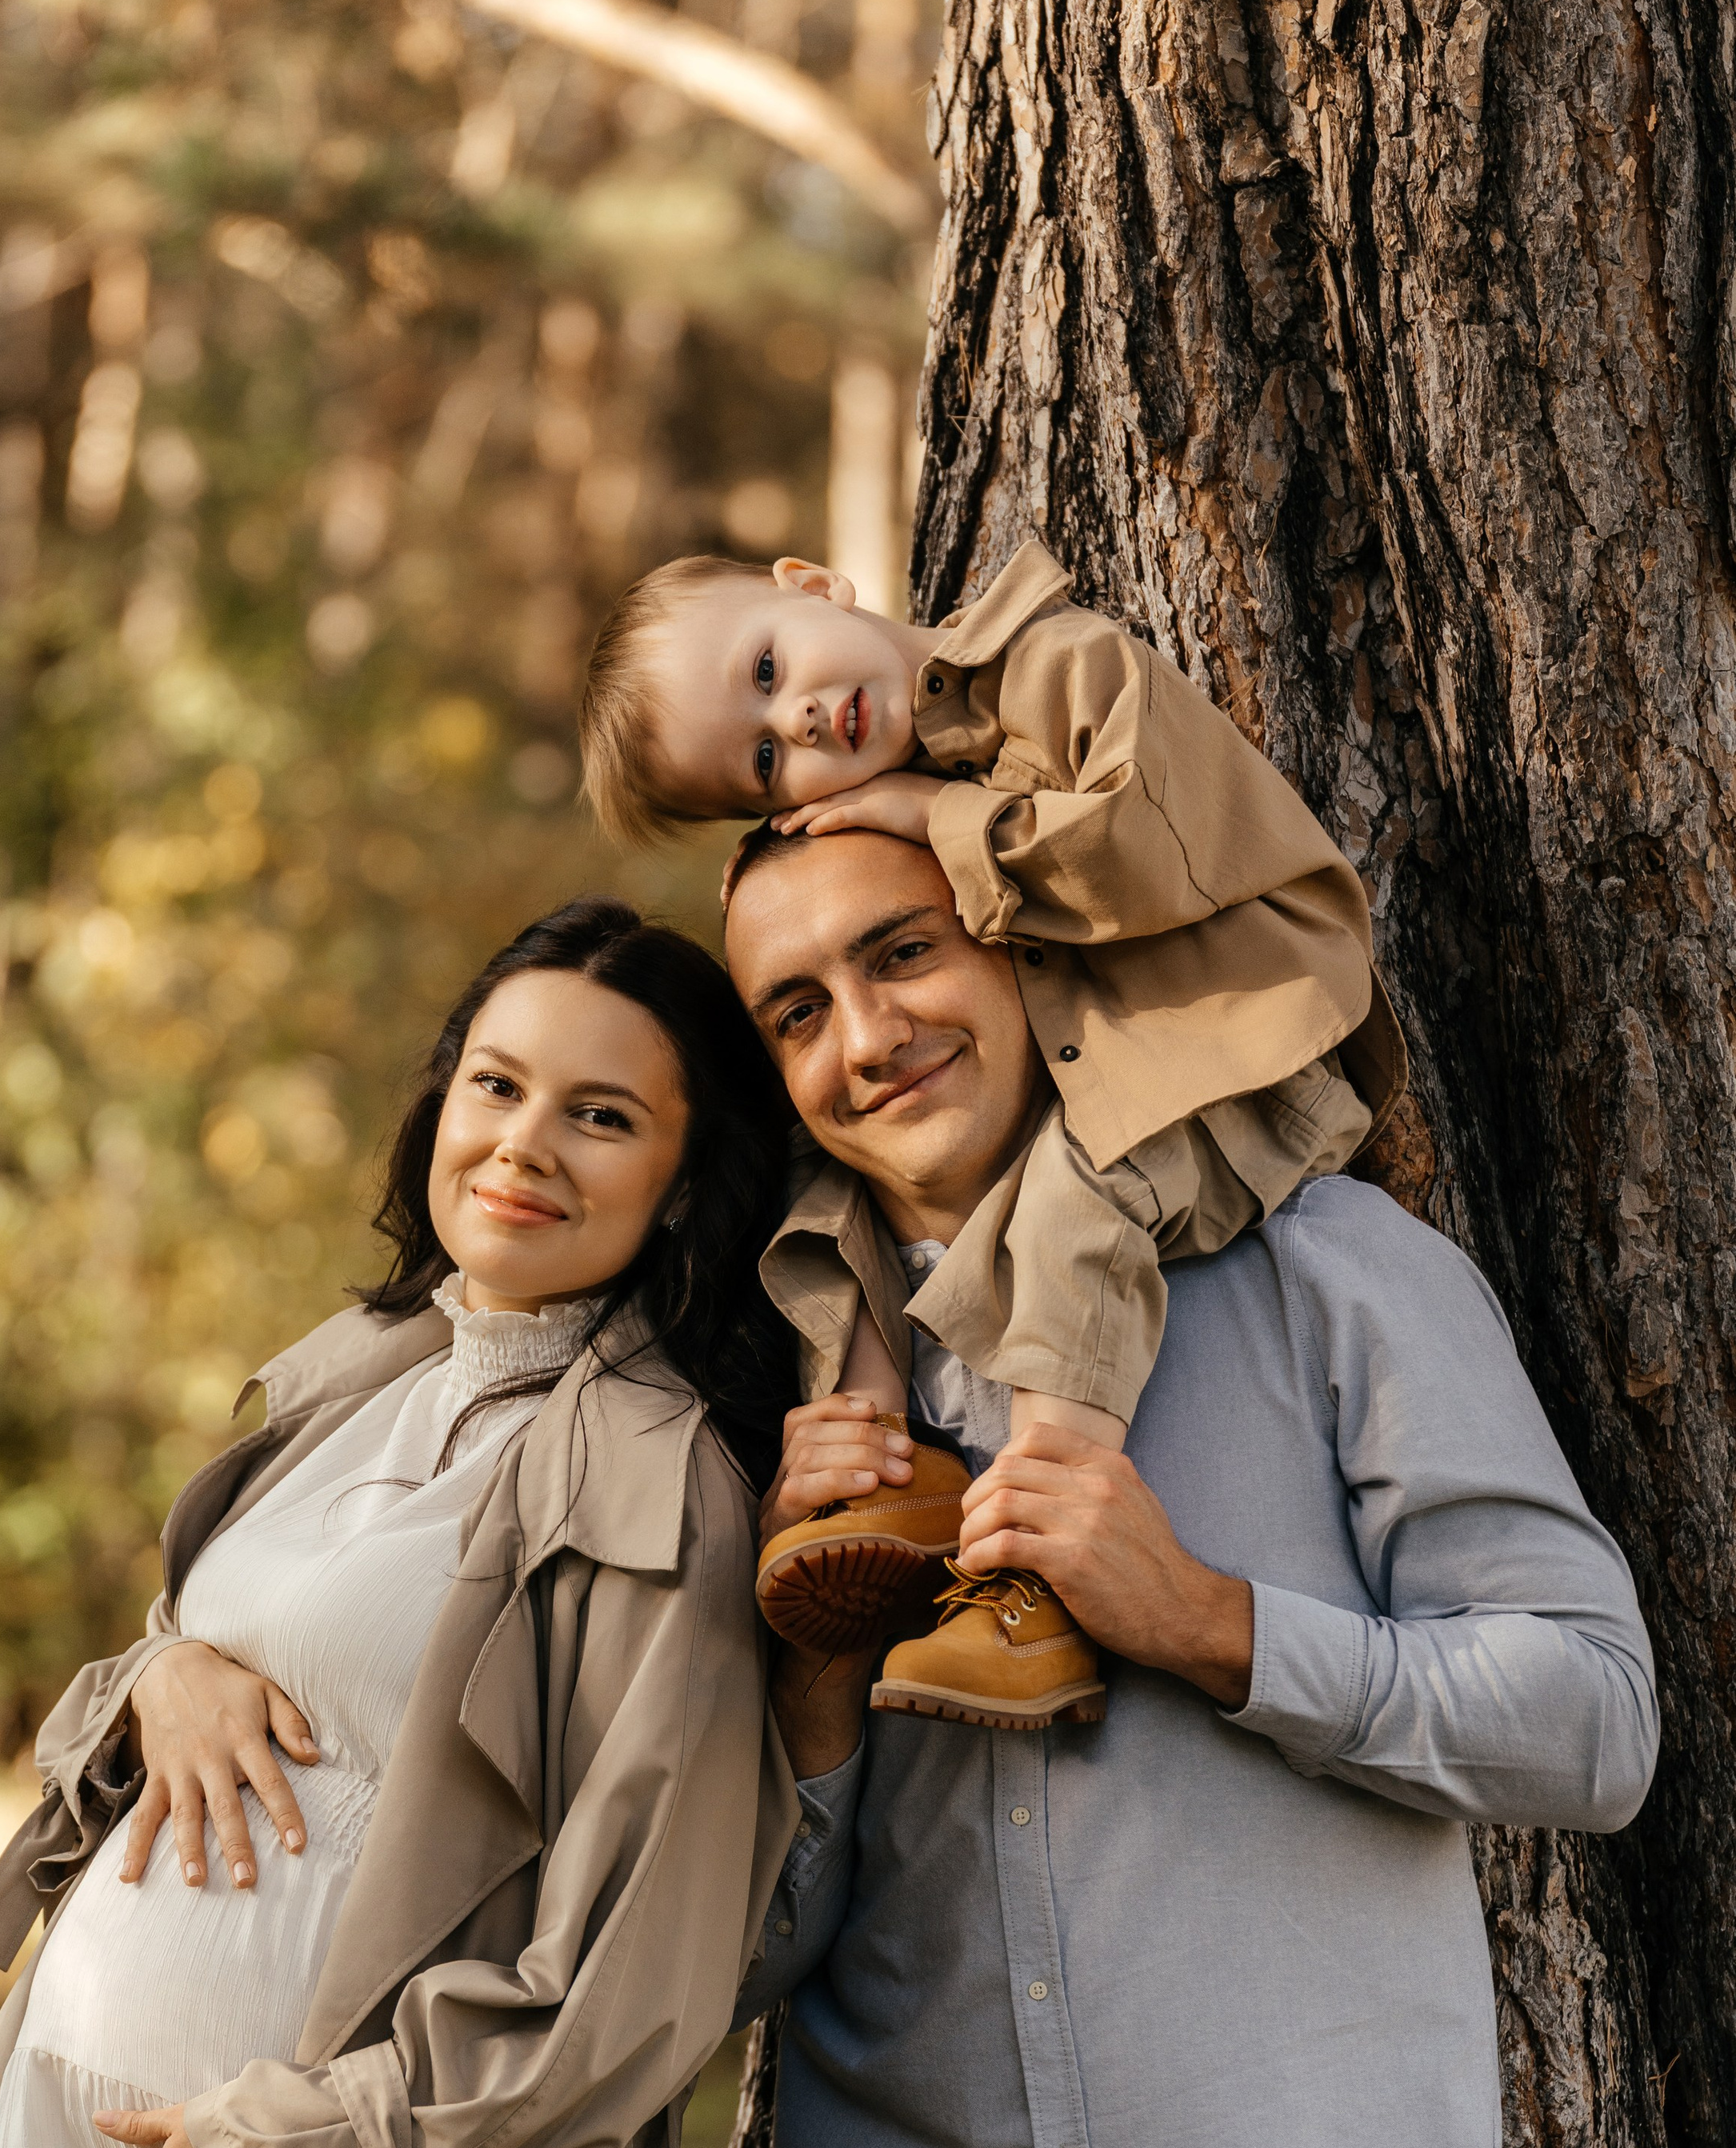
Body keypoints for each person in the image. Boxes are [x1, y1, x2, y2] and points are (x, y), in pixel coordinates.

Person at [722, 823, 1658, 2148]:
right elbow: (738, 1956)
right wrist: (807, 1674)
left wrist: (1204, 1620)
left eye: (901, 950)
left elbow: (1594, 1722)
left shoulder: (1329, 1273)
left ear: (1023, 955)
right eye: (794, 1009)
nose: (863, 1034)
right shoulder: (781, 1391)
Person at [0, 900, 802, 2148]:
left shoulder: (656, 1488)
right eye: (496, 1085)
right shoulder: (360, 1376)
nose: (524, 1144)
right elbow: (229, 1690)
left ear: (684, 1178)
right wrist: (159, 1672)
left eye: (599, 1116)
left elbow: (628, 1986)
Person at [578, 544, 1405, 1728]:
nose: (801, 718)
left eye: (768, 665)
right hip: (1117, 1034)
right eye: (766, 760)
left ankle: (1037, 1571)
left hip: (1240, 1023)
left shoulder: (1056, 664)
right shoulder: (889, 774)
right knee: (820, 1173)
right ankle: (879, 1465)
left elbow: (1136, 851)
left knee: (1080, 1199)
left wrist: (932, 811)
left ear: (812, 583)